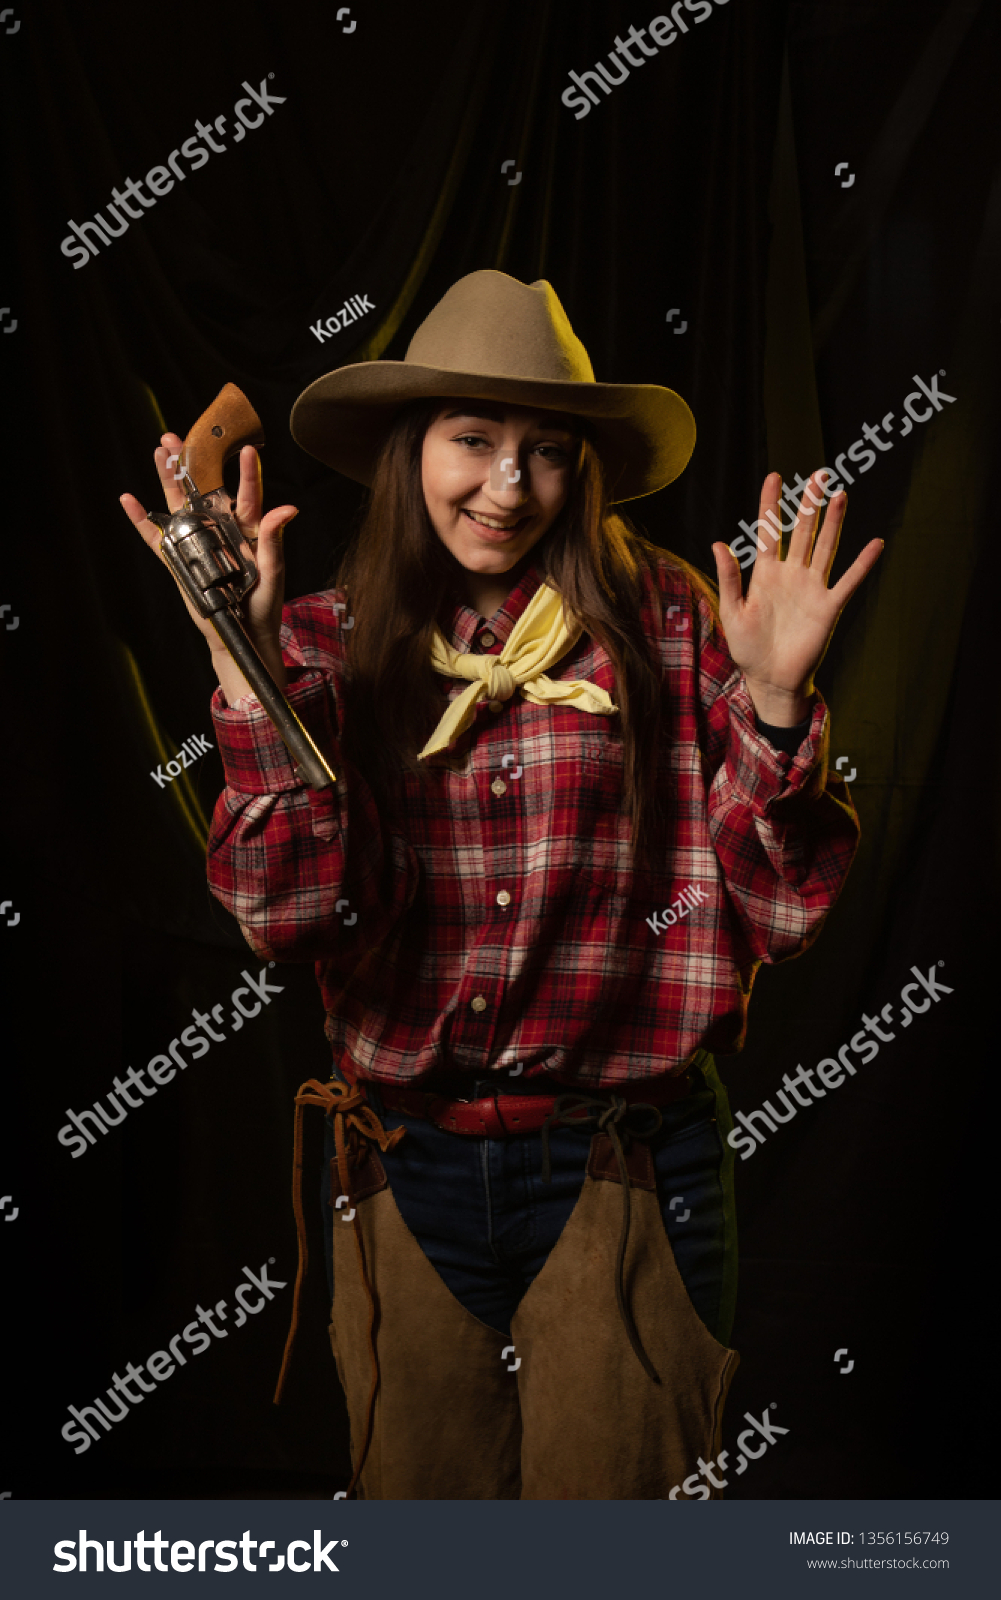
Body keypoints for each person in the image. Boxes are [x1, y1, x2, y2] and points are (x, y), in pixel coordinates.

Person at [121, 269, 881, 1501]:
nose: (508, 486)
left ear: (582, 466)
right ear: (408, 450)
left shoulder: (674, 622)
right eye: (471, 441)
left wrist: (780, 703)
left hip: (628, 1165)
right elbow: (283, 917)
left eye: (545, 450)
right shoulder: (318, 639)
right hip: (403, 1166)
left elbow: (779, 911)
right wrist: (244, 671)